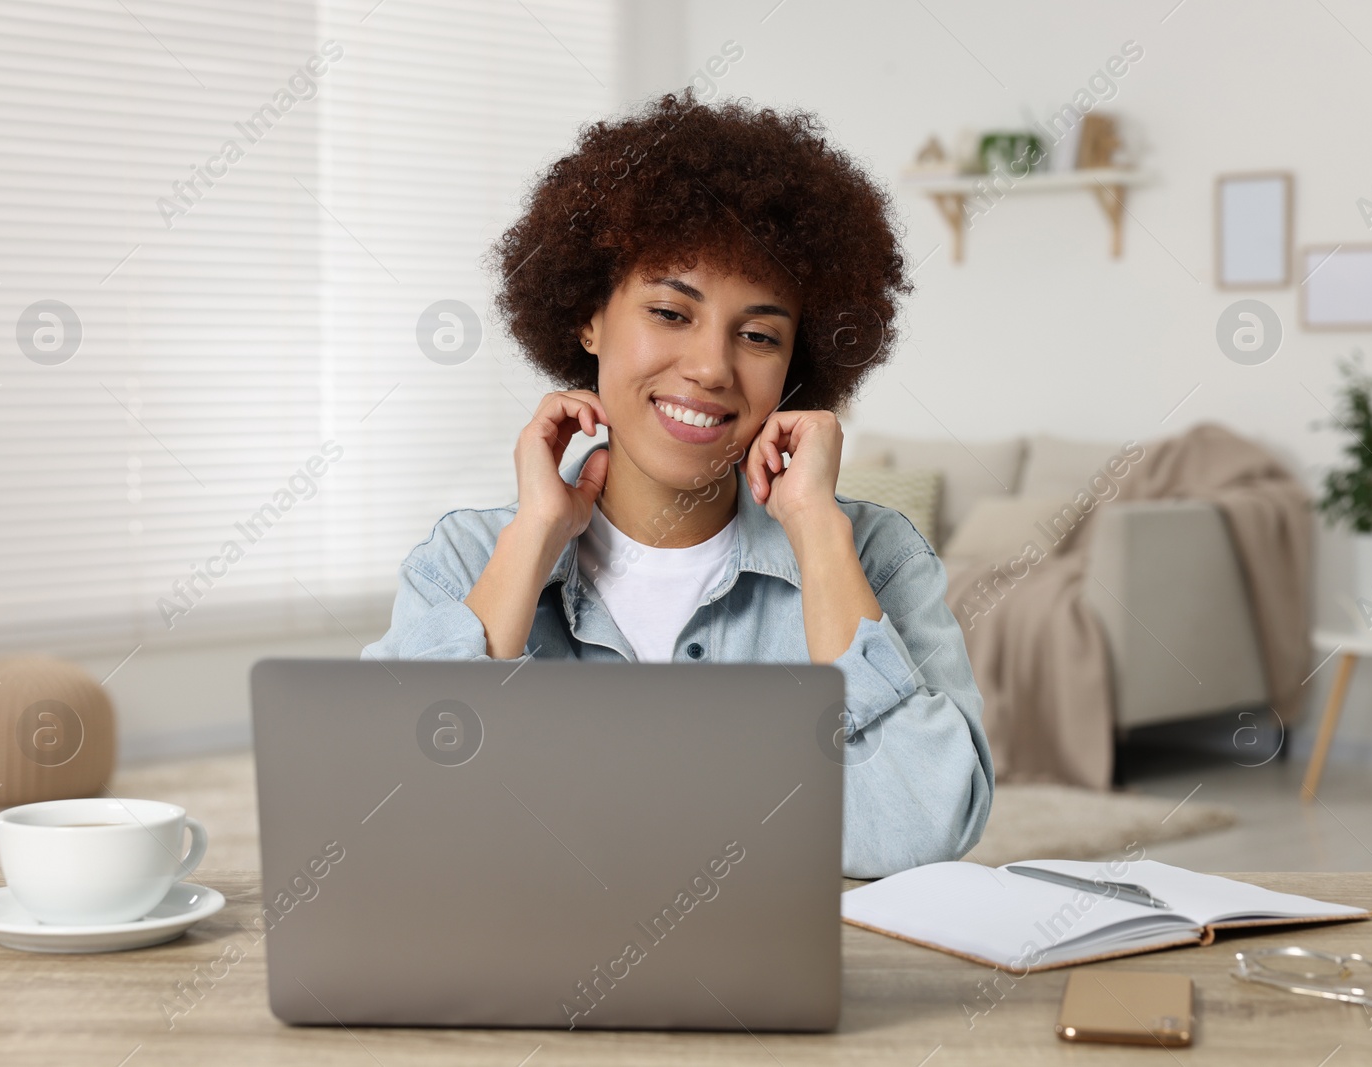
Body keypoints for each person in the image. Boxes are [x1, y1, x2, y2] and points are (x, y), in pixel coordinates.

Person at [362, 88, 992, 878]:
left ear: (795, 369)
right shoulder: (463, 560)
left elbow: (922, 827)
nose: (710, 367)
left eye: (758, 334)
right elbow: (382, 809)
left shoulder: (874, 555)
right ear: (589, 317)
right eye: (670, 311)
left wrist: (820, 531)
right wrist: (533, 537)